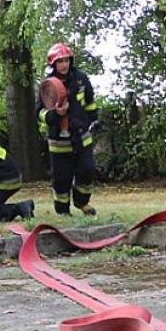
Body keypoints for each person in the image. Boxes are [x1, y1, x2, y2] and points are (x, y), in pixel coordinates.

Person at [36, 42, 99, 216]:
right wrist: (56, 114)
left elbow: (90, 101)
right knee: (61, 179)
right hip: (59, 141)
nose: (64, 65)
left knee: (87, 171)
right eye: (60, 61)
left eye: (66, 60)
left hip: (81, 136)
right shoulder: (47, 85)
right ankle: (63, 211)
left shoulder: (81, 78)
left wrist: (94, 120)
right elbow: (40, 113)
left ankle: (82, 202)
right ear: (53, 64)